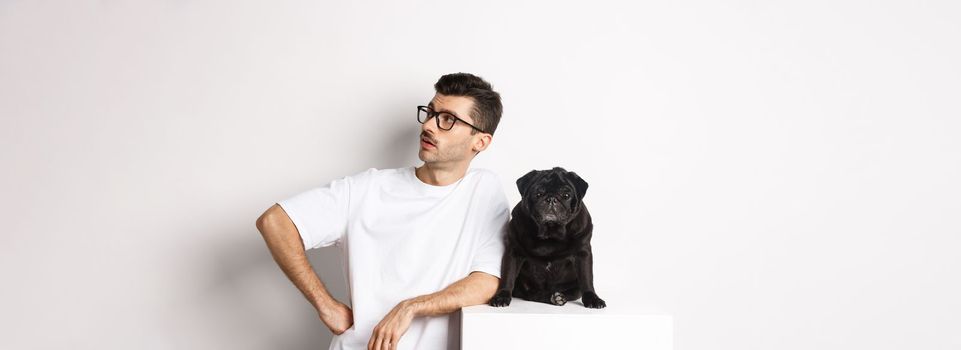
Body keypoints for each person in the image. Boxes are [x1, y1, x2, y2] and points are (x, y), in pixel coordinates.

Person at [255, 72, 509, 350]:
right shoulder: (369, 188)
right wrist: (325, 305)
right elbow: (275, 221)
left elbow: (487, 282)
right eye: (430, 113)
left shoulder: (484, 190)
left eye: (447, 119)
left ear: (480, 142)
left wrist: (411, 307)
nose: (429, 126)